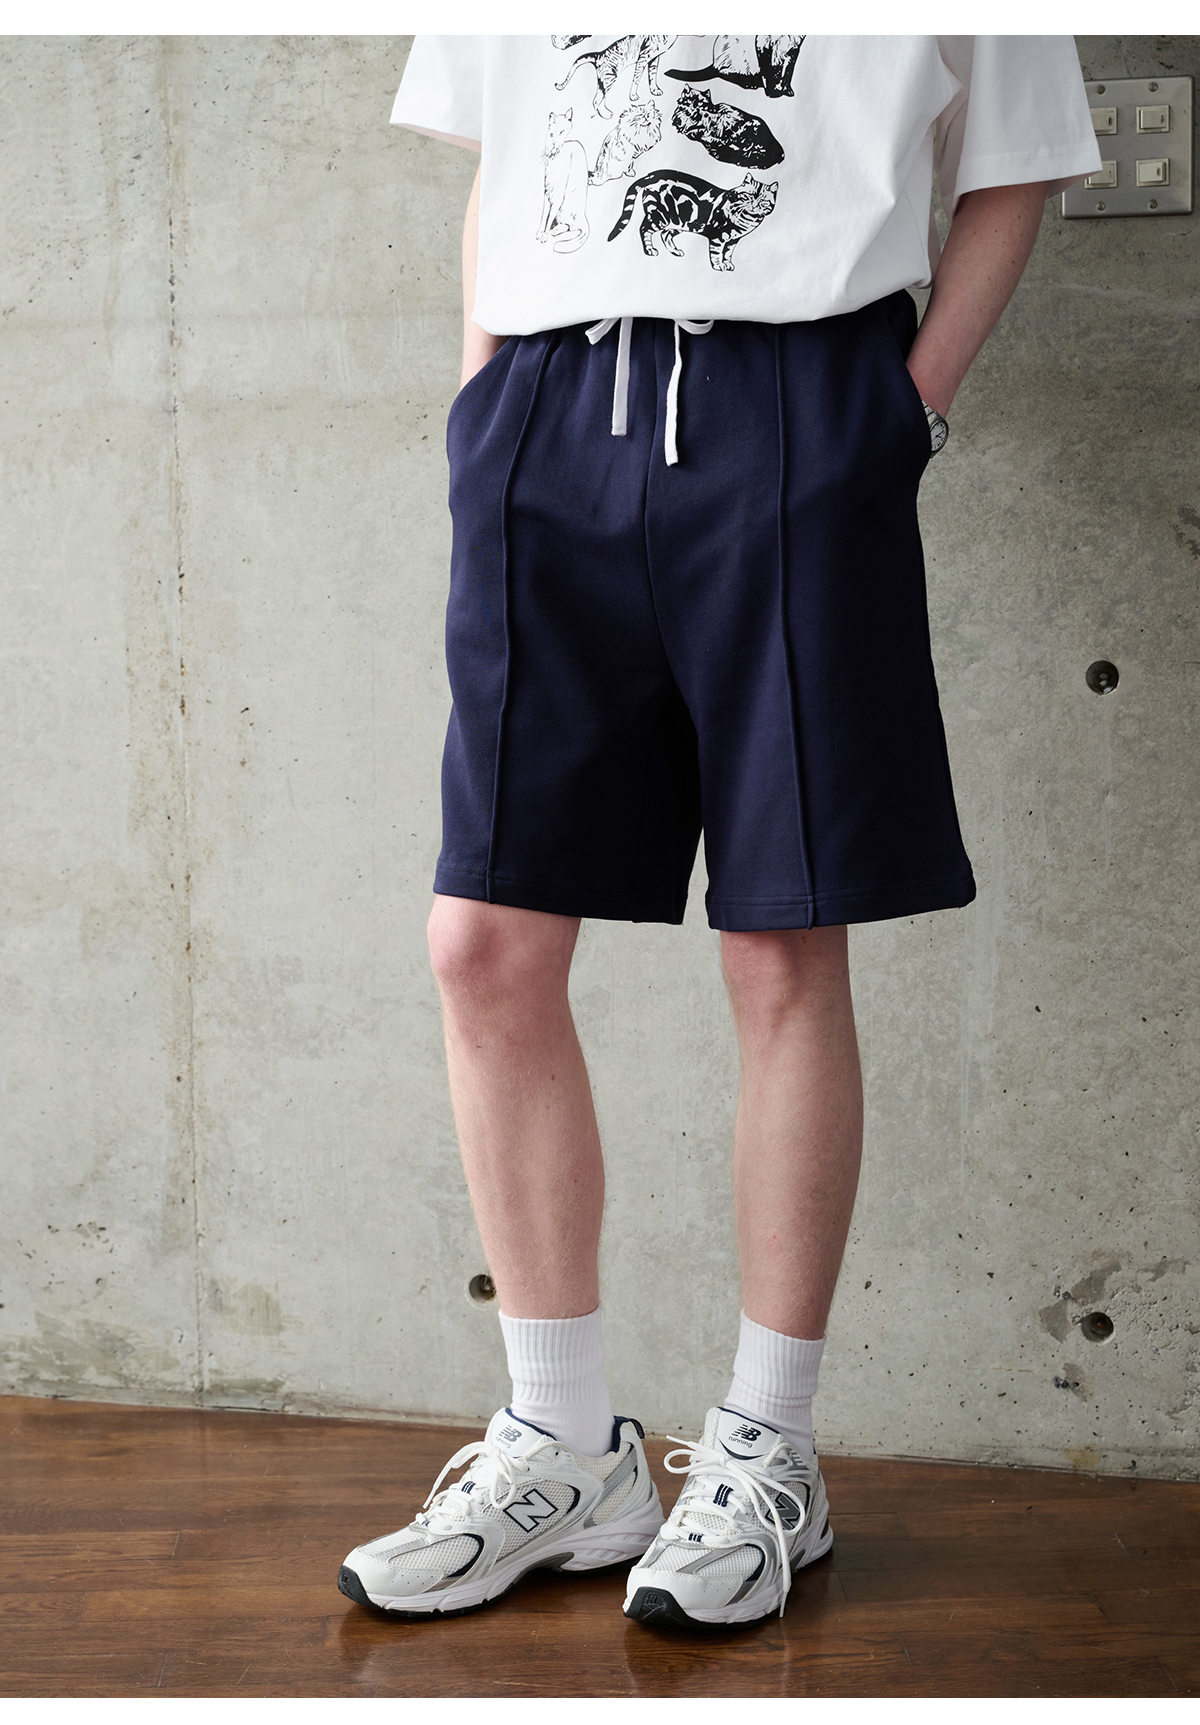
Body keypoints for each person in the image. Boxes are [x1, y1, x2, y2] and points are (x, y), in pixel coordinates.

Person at [337, 34, 1100, 1629]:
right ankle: (566, 1445)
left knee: (780, 937)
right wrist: (485, 400)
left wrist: (900, 416)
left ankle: (768, 1450)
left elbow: (1016, 160)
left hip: (802, 405)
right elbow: (508, 155)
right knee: (483, 940)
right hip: (548, 406)